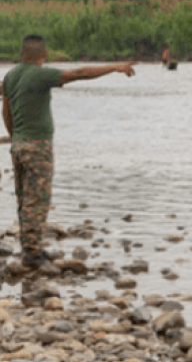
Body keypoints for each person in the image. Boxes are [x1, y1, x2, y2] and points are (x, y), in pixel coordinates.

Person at [2, 34, 135, 270]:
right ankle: (32, 253)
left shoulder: (10, 77)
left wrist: (14, 138)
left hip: (19, 145)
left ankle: (29, 246)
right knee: (38, 199)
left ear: (22, 54)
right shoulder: (41, 74)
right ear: (44, 55)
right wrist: (115, 67)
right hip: (37, 145)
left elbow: (6, 110)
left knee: (23, 198)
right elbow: (80, 73)